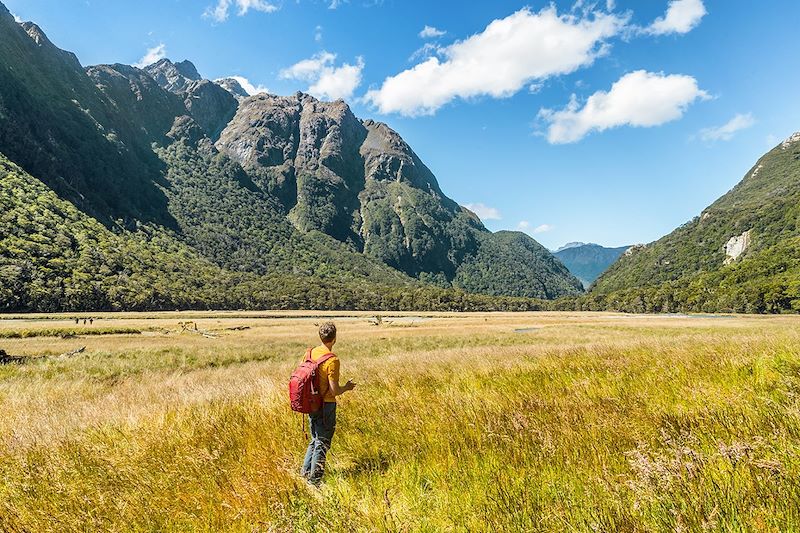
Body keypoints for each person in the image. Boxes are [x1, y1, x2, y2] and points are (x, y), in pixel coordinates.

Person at [300, 322, 355, 486]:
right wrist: (347, 387)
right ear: (334, 338)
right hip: (326, 405)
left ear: (320, 336)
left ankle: (305, 472)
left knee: (315, 439)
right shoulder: (332, 360)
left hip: (311, 402)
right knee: (322, 442)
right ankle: (315, 480)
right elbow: (334, 390)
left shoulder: (309, 353)